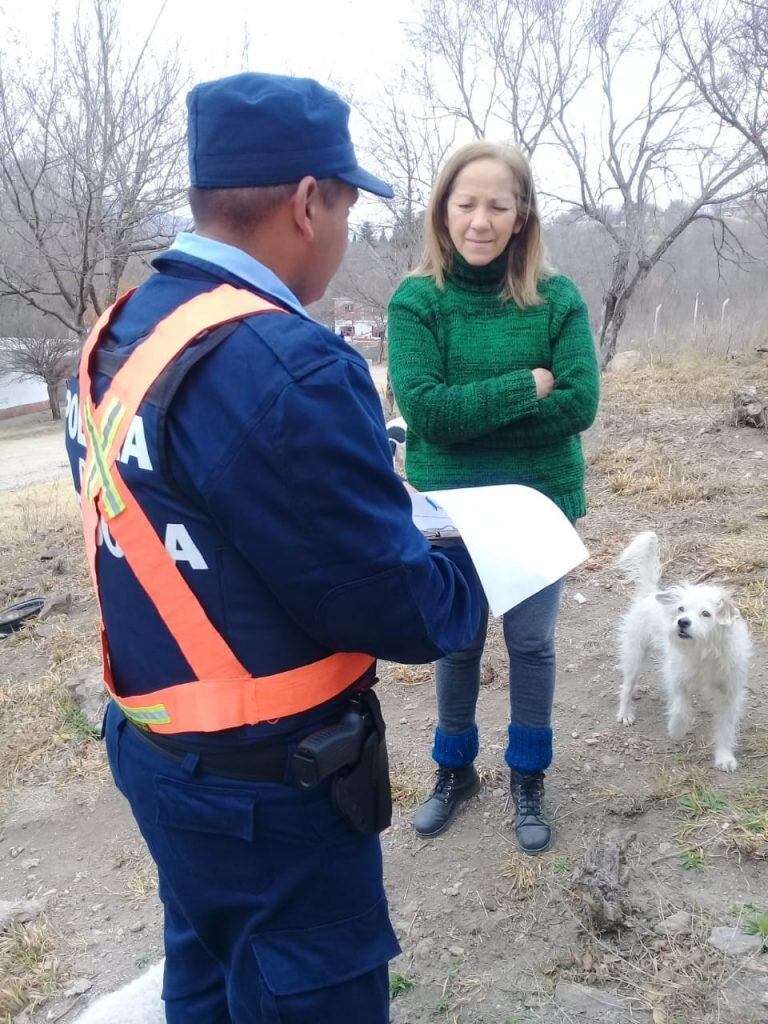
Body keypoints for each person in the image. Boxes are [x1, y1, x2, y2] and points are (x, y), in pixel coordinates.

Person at [64, 73, 484, 1024]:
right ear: (308, 201)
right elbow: (404, 606)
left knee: (207, 985)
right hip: (272, 797)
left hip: (158, 756)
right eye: (343, 205)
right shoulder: (289, 366)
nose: (341, 233)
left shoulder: (121, 332)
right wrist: (465, 559)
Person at [387, 140, 599, 854]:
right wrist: (528, 384)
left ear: (521, 215)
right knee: (458, 642)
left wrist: (473, 413)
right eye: (465, 203)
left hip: (538, 505)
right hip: (451, 513)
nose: (480, 220)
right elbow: (427, 413)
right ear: (443, 211)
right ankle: (455, 770)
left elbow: (580, 404)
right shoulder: (418, 302)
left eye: (497, 205)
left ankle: (528, 775)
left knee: (532, 644)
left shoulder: (556, 298)